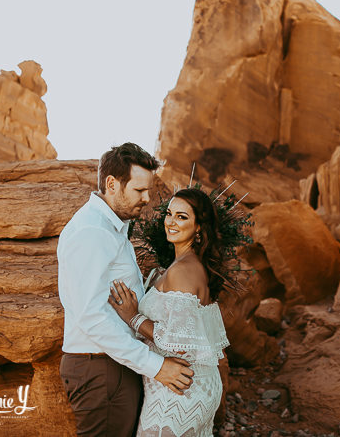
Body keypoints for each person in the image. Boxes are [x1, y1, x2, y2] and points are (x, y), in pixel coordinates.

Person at [57, 143, 194, 437]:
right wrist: (157, 367)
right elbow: (90, 315)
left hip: (113, 364)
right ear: (111, 184)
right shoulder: (92, 232)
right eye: (139, 190)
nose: (146, 199)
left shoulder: (112, 227)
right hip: (100, 369)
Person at [108, 188, 230, 437]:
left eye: (182, 217)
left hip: (180, 389)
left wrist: (134, 317)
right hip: (191, 384)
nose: (171, 222)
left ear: (199, 227)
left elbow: (178, 343)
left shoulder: (183, 271)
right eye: (169, 213)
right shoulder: (186, 265)